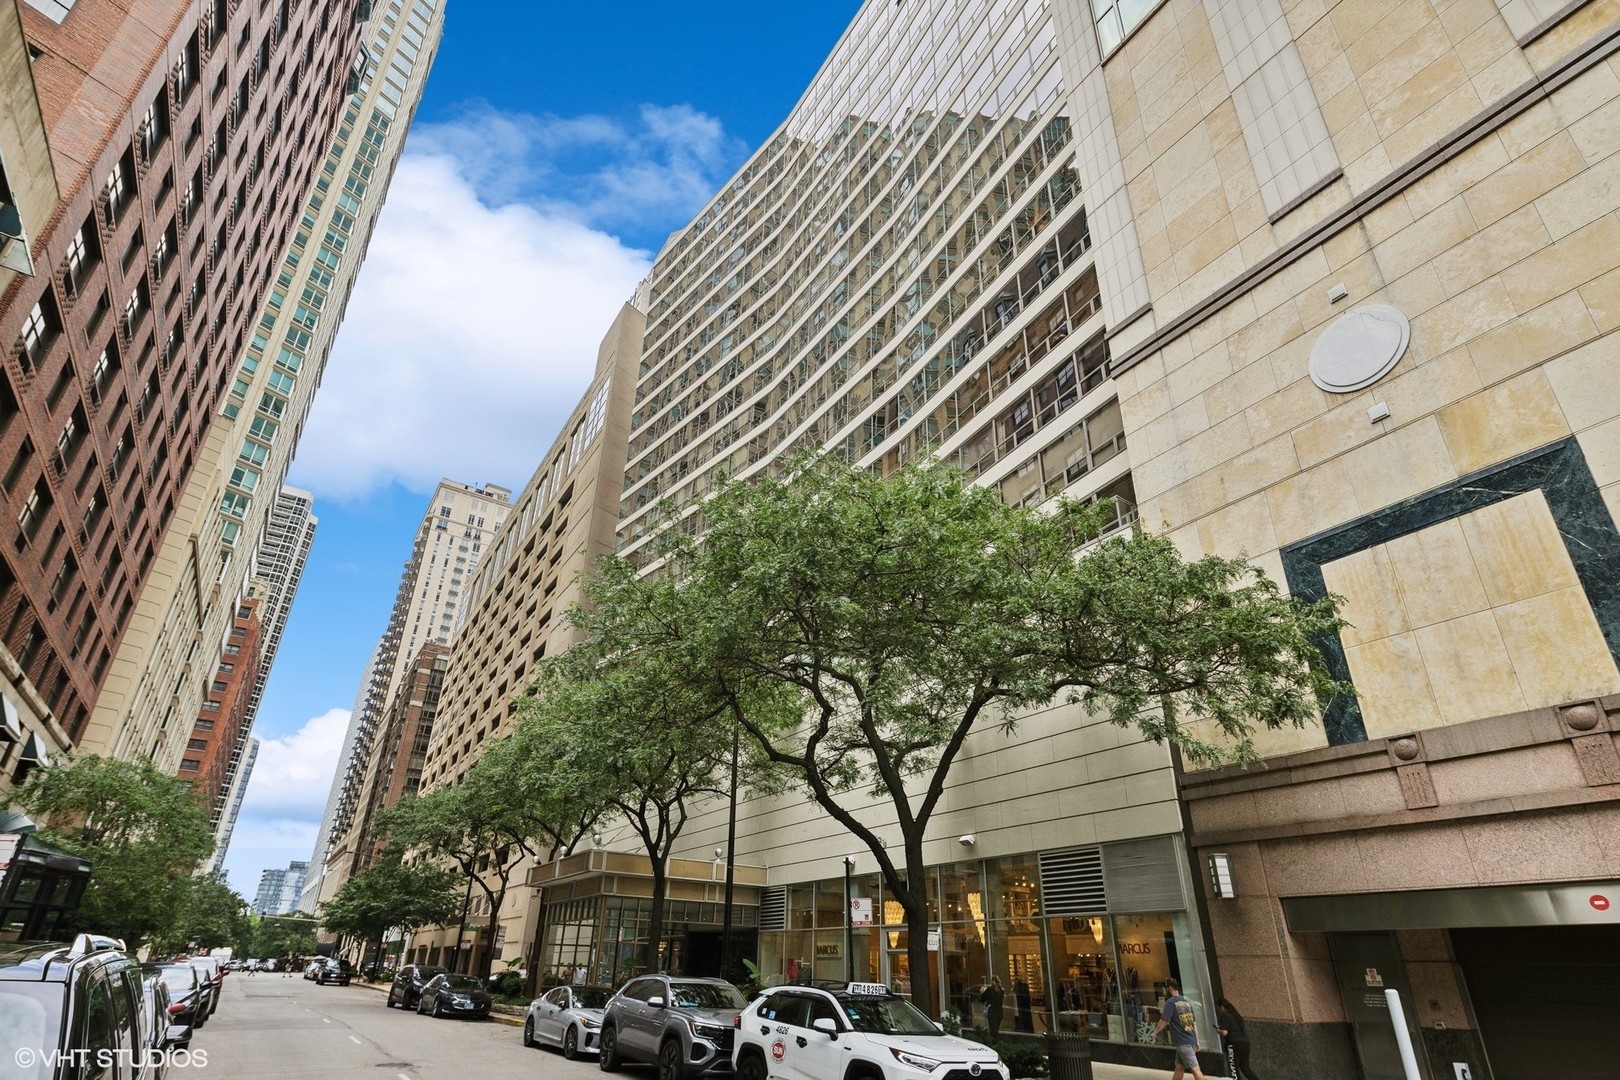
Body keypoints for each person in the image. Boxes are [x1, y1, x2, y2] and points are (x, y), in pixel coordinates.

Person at [1152, 979, 1205, 1080]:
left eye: (1166, 988)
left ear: (1170, 988)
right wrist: (1197, 1040)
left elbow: (1164, 1020)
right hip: (1191, 1039)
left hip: (1183, 1041)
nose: (1165, 990)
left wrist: (1155, 1032)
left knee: (1195, 1069)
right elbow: (1194, 1023)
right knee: (1179, 1068)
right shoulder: (1187, 1002)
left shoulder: (1170, 1003)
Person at [1215, 998, 1260, 1080]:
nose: (1219, 1010)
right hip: (1245, 1043)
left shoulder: (1226, 1016)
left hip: (1233, 1044)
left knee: (1233, 1068)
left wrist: (1218, 1030)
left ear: (1221, 1007)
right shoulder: (1236, 1016)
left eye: (1218, 1008)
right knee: (1245, 1068)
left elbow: (1225, 1032)